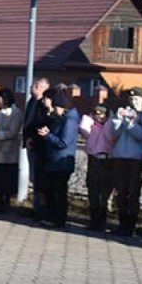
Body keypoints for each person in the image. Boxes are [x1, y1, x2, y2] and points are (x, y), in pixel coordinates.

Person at [109, 87, 142, 237]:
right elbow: (114, 134)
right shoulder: (125, 112)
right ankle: (122, 224)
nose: (133, 102)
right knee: (121, 193)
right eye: (131, 99)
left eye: (136, 99)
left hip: (136, 159)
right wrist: (118, 119)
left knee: (133, 194)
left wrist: (129, 123)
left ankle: (131, 226)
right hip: (120, 156)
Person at [37, 90, 80, 228]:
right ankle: (51, 217)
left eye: (56, 107)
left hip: (62, 162)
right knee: (51, 190)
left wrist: (47, 135)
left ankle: (59, 219)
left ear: (63, 107)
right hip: (54, 161)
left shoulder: (70, 120)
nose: (54, 110)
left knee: (59, 192)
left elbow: (64, 142)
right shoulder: (60, 118)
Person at [79, 103, 117, 232]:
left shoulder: (110, 126)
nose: (98, 116)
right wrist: (87, 121)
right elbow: (84, 131)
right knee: (93, 191)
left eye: (102, 114)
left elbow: (111, 137)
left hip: (106, 160)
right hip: (93, 159)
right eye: (96, 113)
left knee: (104, 193)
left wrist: (107, 123)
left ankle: (102, 221)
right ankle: (94, 220)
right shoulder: (92, 126)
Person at [22, 77, 52, 220]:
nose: (30, 88)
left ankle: (40, 208)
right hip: (30, 144)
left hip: (39, 145)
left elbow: (39, 123)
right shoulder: (31, 102)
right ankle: (35, 207)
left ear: (39, 87)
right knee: (34, 177)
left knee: (40, 177)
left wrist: (33, 138)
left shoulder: (43, 105)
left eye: (34, 86)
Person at [0, 90, 22, 214]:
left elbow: (13, 132)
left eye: (0, 99)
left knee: (6, 179)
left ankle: (6, 203)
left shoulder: (15, 113)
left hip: (9, 151)